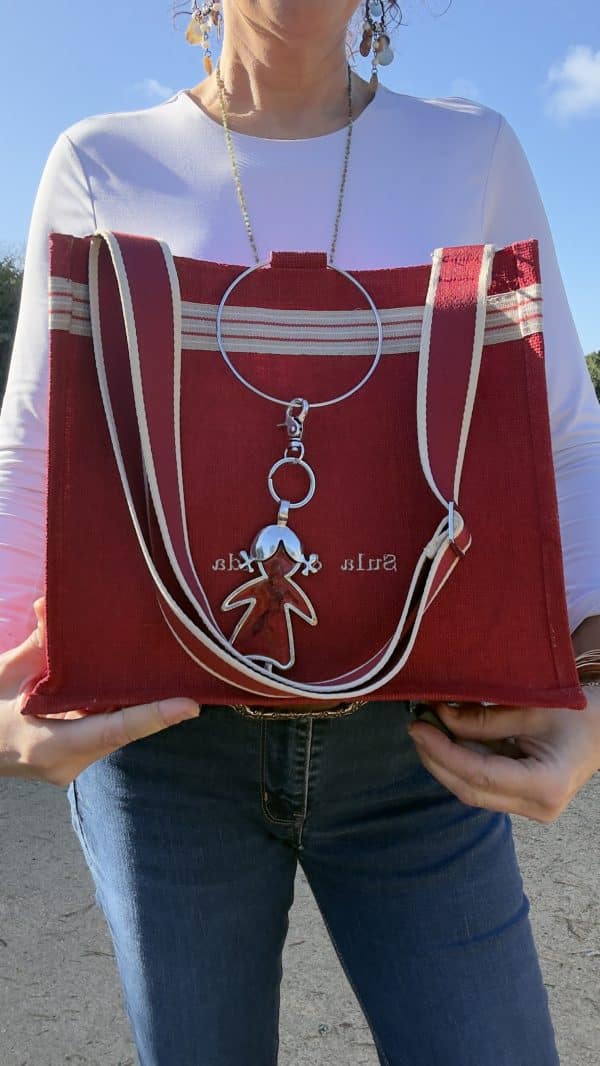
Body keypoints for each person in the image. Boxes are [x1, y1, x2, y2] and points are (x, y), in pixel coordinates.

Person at [1, 2, 600, 1063]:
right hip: (161, 753)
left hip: (419, 739)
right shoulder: (100, 163)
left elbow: (561, 438)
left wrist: (594, 688)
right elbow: (35, 455)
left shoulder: (474, 153)